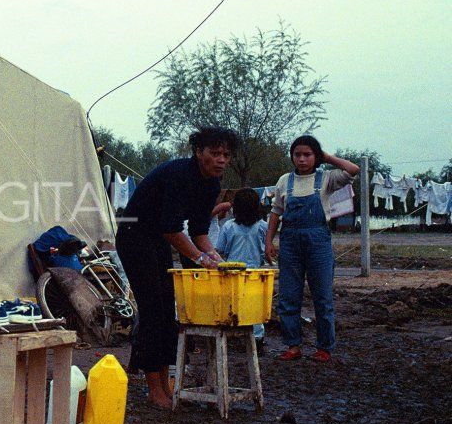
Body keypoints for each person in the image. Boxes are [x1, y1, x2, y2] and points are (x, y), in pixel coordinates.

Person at [116, 126, 239, 409]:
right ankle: (153, 388)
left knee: (166, 309)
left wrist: (217, 259)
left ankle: (165, 381)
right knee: (152, 308)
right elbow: (171, 228)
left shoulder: (211, 184)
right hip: (135, 236)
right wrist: (200, 259)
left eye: (226, 155)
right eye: (215, 153)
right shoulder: (179, 175)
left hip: (158, 239)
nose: (221, 160)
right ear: (198, 152)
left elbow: (199, 231)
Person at [265, 136, 359, 363]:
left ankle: (324, 347)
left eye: (308, 154)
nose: (302, 159)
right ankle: (293, 345)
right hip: (290, 242)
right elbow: (276, 212)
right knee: (288, 296)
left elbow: (353, 169)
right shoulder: (284, 181)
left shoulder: (326, 178)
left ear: (316, 156)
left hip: (318, 242)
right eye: (297, 154)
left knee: (322, 297)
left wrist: (325, 156)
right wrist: (268, 242)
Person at [215, 187, 269, 348]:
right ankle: (257, 338)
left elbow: (220, 249)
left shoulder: (228, 226)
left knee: (231, 303)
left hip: (231, 272)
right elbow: (266, 249)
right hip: (255, 273)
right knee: (254, 305)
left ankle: (231, 335)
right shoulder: (263, 226)